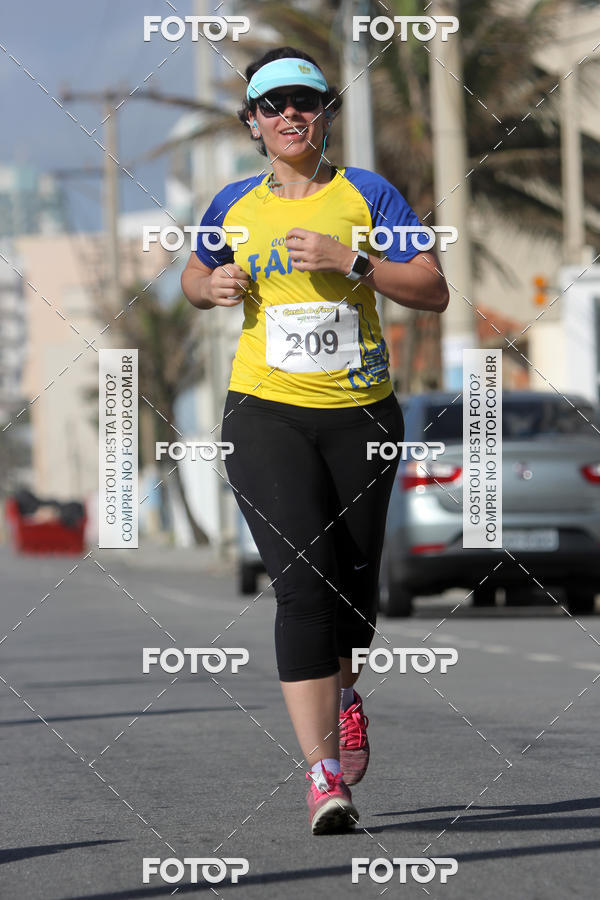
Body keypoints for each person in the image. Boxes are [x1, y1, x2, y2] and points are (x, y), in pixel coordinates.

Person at [181, 46, 449, 835]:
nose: (290, 115)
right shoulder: (232, 203)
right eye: (273, 106)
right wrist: (213, 287)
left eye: (305, 102)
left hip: (362, 416)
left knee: (349, 598)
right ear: (254, 125)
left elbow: (432, 289)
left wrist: (353, 260)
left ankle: (345, 691)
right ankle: (323, 777)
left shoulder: (366, 193)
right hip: (265, 411)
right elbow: (193, 279)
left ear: (324, 114)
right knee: (301, 583)